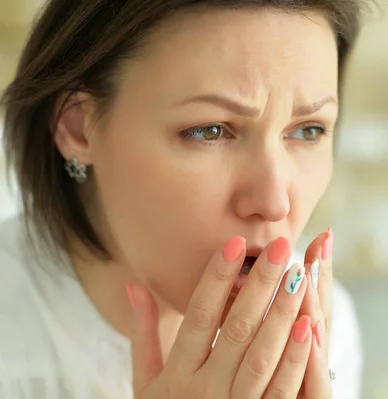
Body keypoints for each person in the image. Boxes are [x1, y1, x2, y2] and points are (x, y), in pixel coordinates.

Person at [0, 0, 365, 398]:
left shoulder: (321, 334)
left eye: (308, 131)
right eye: (210, 131)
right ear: (78, 128)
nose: (275, 203)